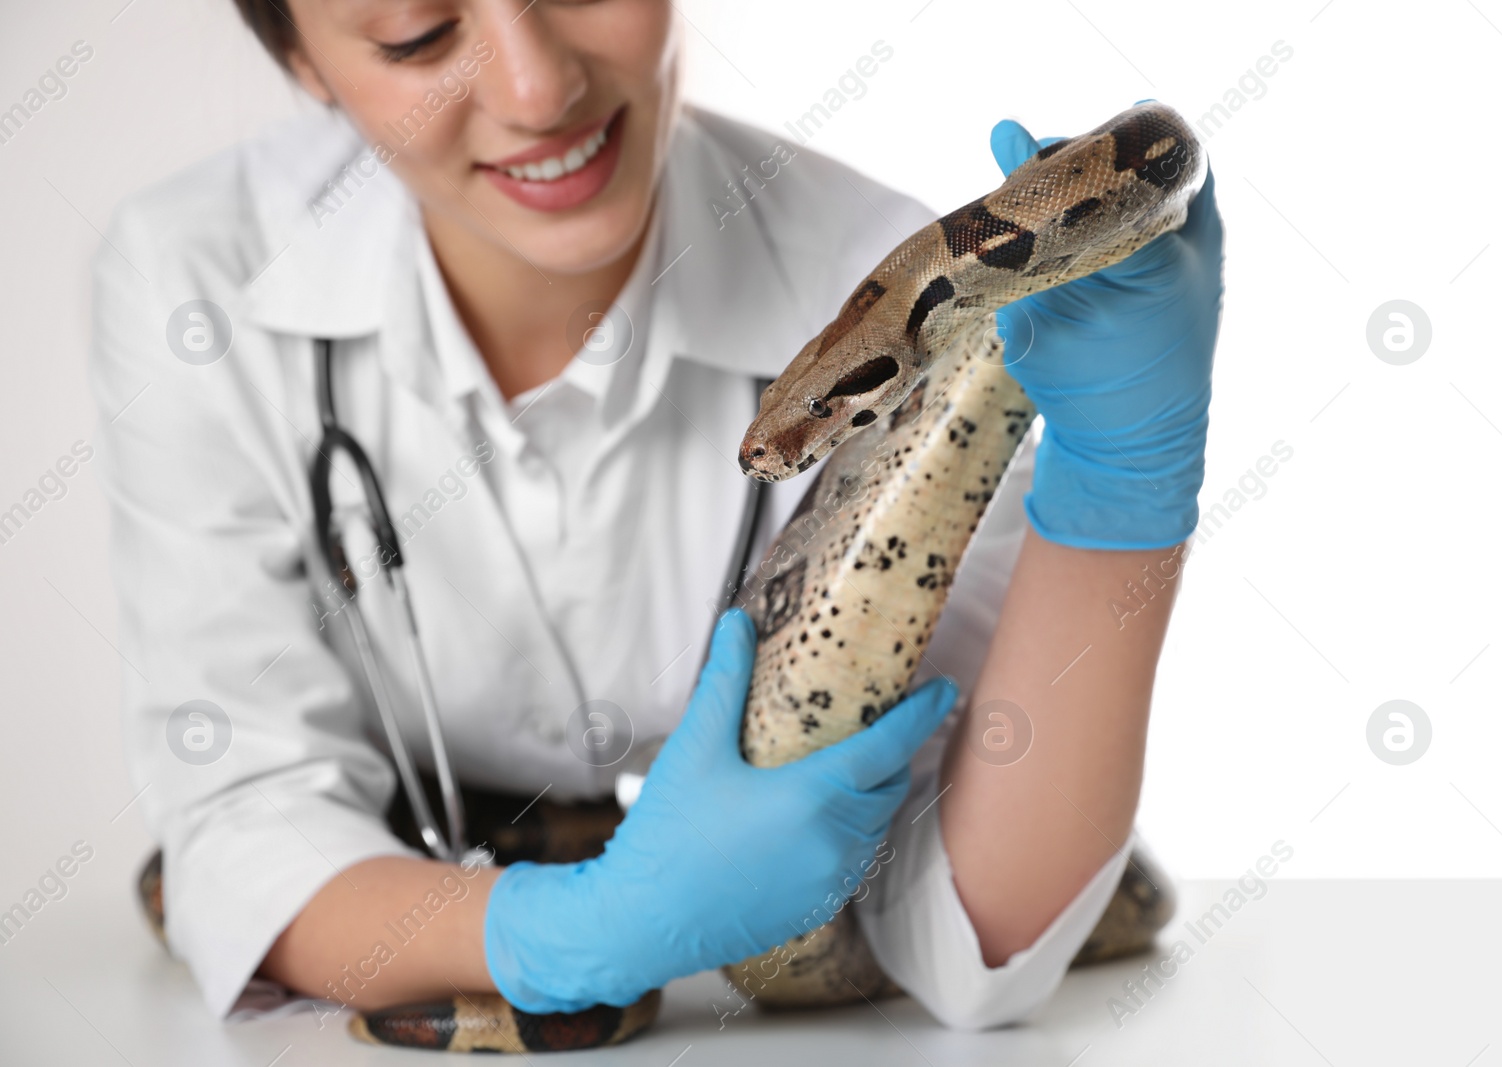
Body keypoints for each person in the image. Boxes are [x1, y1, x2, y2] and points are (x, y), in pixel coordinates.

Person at [89, 0, 1223, 1032]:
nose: (537, 94)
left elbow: (965, 934)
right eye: (416, 34)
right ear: (301, 60)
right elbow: (239, 826)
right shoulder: (191, 276)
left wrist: (1119, 494)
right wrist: (583, 931)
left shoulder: (943, 289)